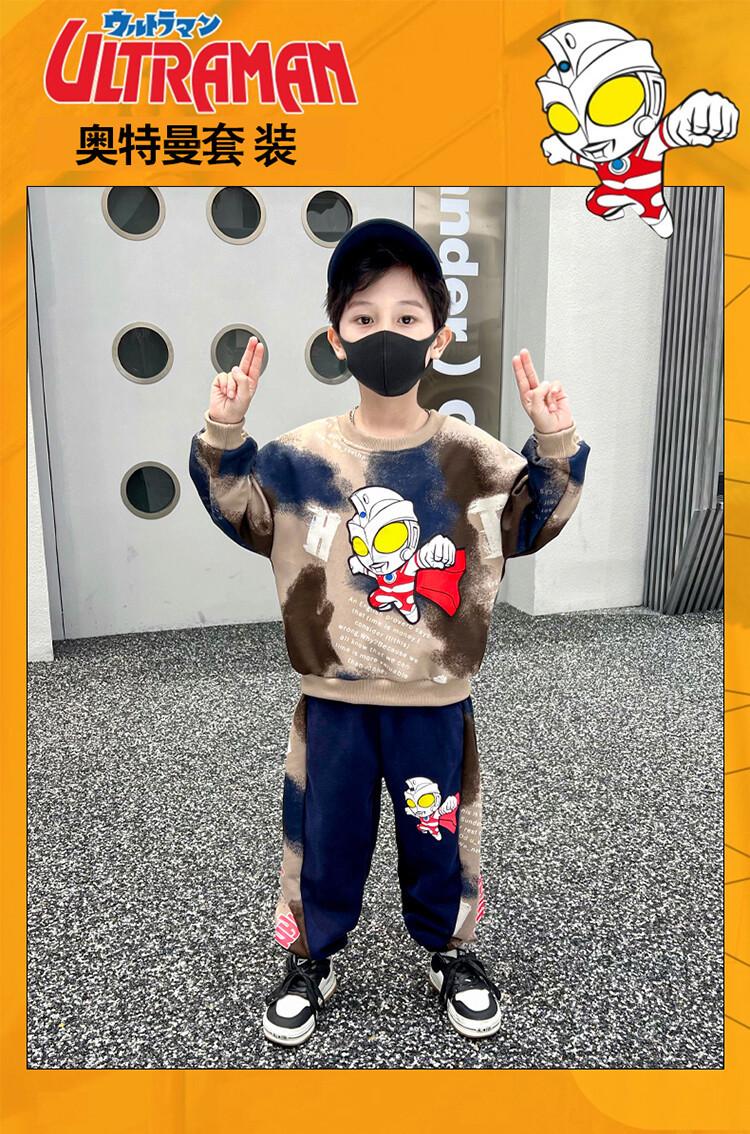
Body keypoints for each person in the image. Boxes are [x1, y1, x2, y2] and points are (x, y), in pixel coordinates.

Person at [189, 217, 590, 1048]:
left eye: (408, 318)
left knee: (437, 830)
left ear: (437, 336)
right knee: (324, 836)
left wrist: (552, 440)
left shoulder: (472, 456)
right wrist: (226, 432)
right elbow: (245, 514)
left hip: (433, 697)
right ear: (337, 336)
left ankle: (449, 950)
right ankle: (311, 958)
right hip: (333, 699)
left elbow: (531, 519)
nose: (386, 334)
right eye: (364, 317)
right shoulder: (299, 458)